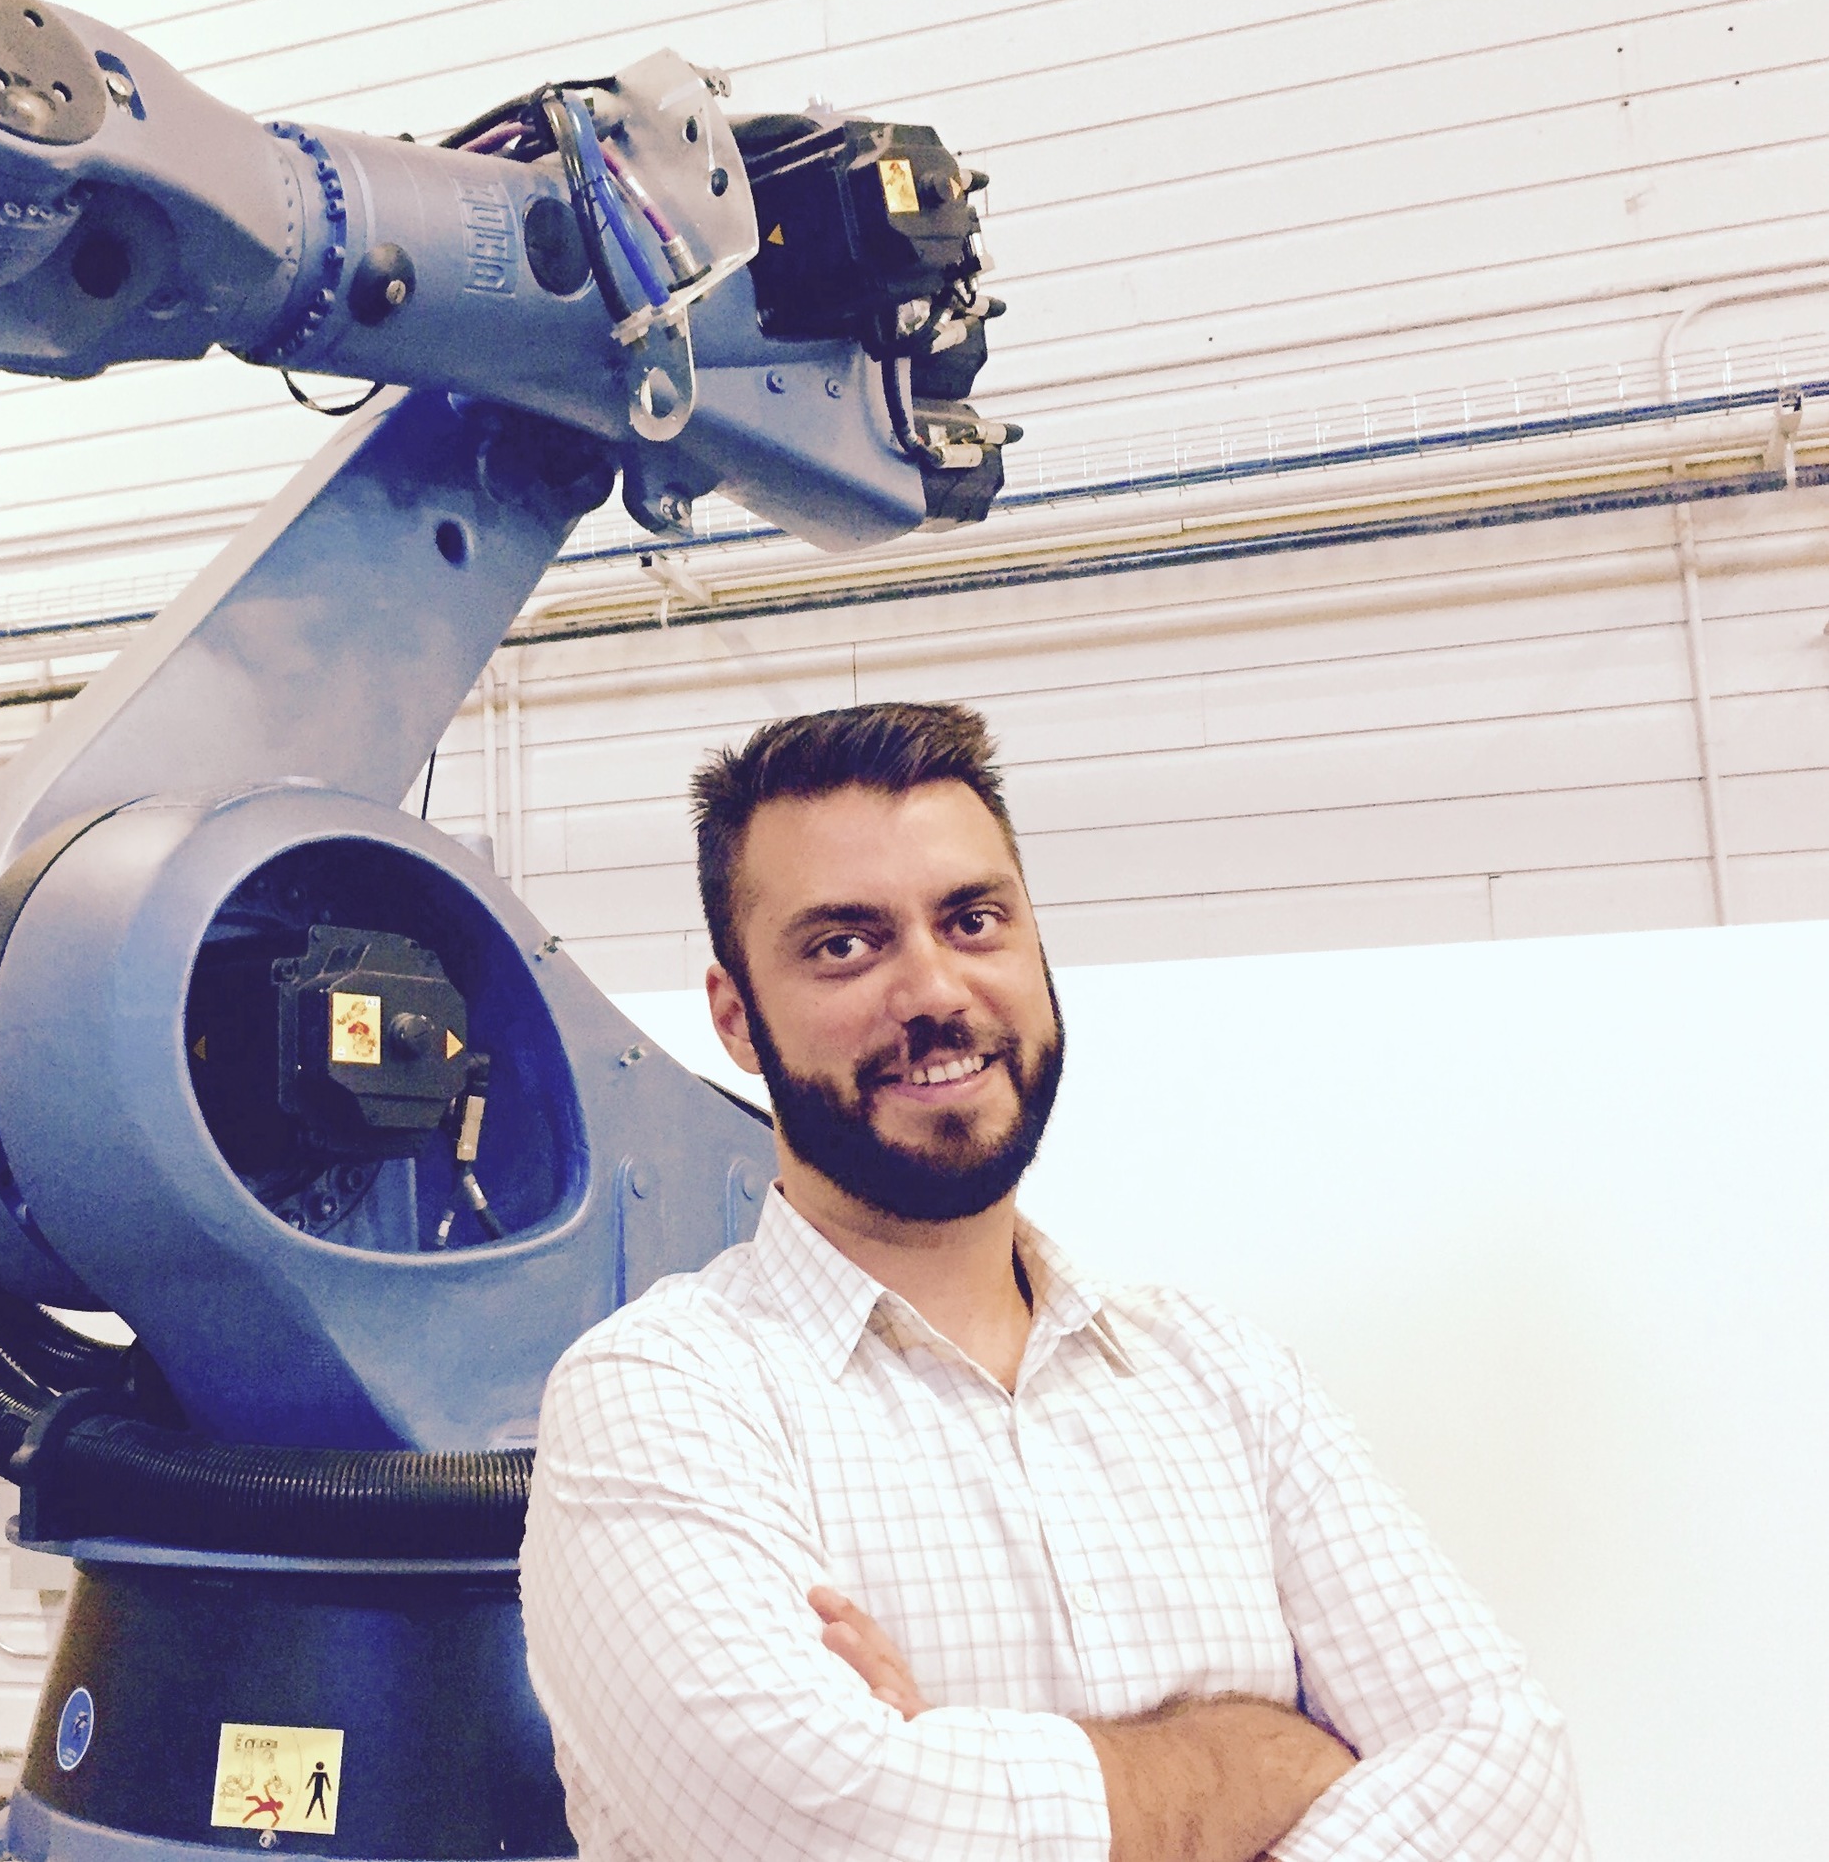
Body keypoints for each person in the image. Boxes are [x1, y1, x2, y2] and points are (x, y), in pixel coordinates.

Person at [520, 702, 1586, 1862]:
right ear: (736, 1018)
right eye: (844, 945)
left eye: (972, 920)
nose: (934, 991)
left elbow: (1511, 1773)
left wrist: (957, 1774)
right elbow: (840, 1834)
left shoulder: (1223, 1376)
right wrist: (1279, 1759)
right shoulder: (658, 1394)